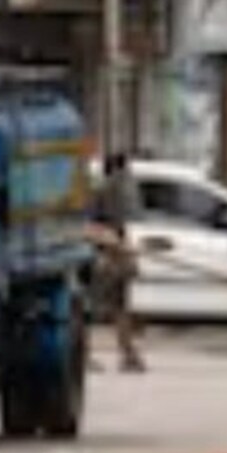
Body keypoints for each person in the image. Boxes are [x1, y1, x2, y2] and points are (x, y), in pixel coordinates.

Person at [87, 153, 145, 373]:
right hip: (107, 254)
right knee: (107, 307)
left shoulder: (109, 189)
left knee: (117, 306)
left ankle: (128, 354)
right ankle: (125, 354)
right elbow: (93, 225)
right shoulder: (112, 189)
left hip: (114, 253)